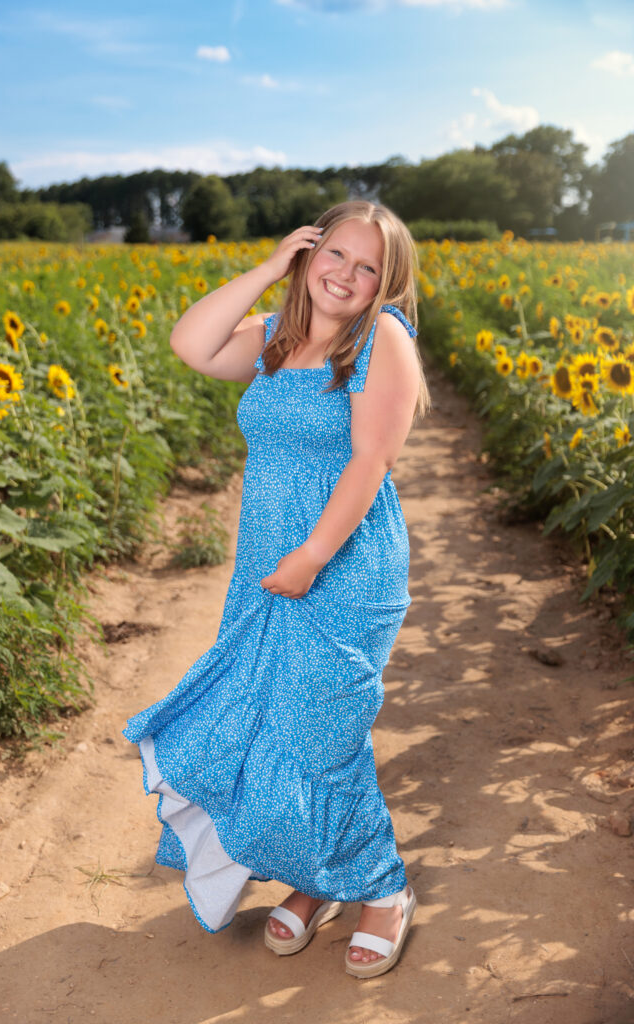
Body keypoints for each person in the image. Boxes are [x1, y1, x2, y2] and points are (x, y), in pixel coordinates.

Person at [123, 199, 431, 979]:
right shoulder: (274, 336)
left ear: (384, 285)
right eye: (334, 255)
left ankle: (383, 889)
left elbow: (369, 462)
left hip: (343, 567)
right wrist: (266, 271)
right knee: (277, 730)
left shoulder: (380, 339)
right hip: (268, 562)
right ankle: (312, 881)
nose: (346, 276)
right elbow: (190, 344)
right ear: (309, 253)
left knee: (321, 737)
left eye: (368, 268)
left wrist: (311, 557)